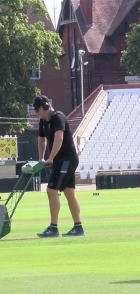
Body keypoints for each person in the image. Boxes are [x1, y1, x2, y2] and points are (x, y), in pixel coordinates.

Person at [33, 95, 85, 238]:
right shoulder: (43, 121)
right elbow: (41, 139)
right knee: (69, 192)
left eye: (37, 110)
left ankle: (53, 228)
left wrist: (51, 158)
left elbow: (59, 138)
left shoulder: (57, 117)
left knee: (51, 190)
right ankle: (78, 227)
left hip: (67, 159)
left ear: (44, 107)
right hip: (60, 160)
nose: (37, 113)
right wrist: (41, 158)